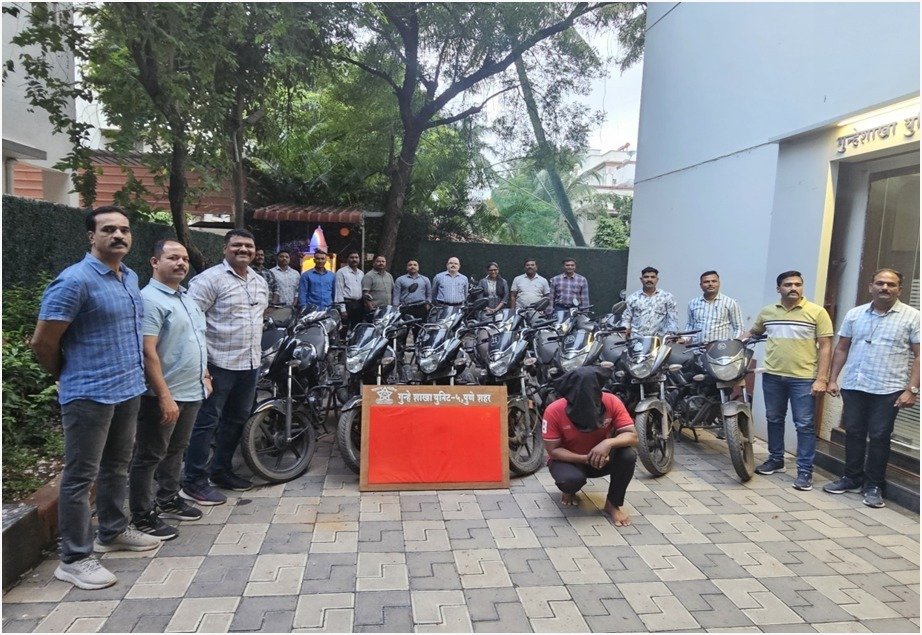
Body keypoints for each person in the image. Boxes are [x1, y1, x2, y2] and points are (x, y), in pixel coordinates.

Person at [32, 205, 159, 590]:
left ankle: (113, 531)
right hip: (89, 393)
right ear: (91, 236)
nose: (118, 235)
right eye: (108, 229)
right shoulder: (74, 281)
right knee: (79, 477)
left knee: (117, 465)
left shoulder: (129, 276)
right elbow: (42, 342)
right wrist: (67, 374)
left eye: (124, 229)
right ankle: (74, 558)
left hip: (128, 388)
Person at [128, 240, 209, 541]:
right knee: (150, 455)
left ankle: (168, 498)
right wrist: (163, 395)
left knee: (176, 449)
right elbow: (147, 351)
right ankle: (141, 514)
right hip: (163, 395)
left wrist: (205, 374)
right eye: (173, 258)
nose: (181, 263)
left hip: (191, 390)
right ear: (154, 262)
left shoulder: (185, 297)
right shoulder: (149, 300)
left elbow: (196, 339)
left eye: (184, 259)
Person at [181, 229, 269, 504]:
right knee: (206, 422)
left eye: (248, 246)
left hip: (250, 364)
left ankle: (221, 471)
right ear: (225, 249)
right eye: (237, 245)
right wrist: (202, 367)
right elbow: (190, 323)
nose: (243, 250)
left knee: (236, 420)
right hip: (217, 365)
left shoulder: (259, 281)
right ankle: (193, 481)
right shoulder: (208, 280)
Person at [823, 269, 920, 508]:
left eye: (891, 284)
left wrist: (912, 389)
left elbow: (919, 355)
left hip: (888, 389)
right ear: (870, 287)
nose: (885, 288)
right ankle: (851, 478)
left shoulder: (913, 317)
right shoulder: (855, 314)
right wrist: (832, 379)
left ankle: (874, 485)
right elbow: (842, 348)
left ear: (899, 289)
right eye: (880, 283)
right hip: (855, 385)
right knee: (853, 433)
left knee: (879, 437)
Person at [749, 270, 833, 491]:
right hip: (772, 375)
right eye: (788, 284)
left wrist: (822, 379)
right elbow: (753, 333)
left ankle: (805, 471)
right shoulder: (768, 312)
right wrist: (734, 341)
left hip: (803, 378)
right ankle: (776, 459)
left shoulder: (817, 312)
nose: (793, 288)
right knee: (774, 418)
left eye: (797, 284)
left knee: (804, 424)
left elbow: (825, 347)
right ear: (779, 288)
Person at [542, 366, 638, 527]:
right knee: (570, 480)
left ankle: (612, 504)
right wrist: (585, 459)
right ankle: (570, 490)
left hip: (601, 459)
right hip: (570, 461)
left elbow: (632, 435)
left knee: (628, 455)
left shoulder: (612, 401)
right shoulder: (554, 410)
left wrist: (608, 443)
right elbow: (553, 450)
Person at [685, 270, 745, 343]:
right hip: (696, 348)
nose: (710, 284)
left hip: (720, 348)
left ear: (719, 283)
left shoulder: (730, 303)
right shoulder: (693, 303)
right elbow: (690, 325)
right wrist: (684, 339)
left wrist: (733, 344)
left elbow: (739, 327)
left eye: (714, 281)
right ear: (701, 285)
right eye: (706, 282)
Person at [621, 266, 678, 337]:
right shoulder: (632, 298)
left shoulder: (667, 297)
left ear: (657, 280)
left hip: (659, 340)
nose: (649, 279)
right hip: (636, 340)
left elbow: (672, 320)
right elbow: (626, 320)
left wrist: (671, 337)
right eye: (646, 277)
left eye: (652, 277)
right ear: (641, 279)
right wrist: (624, 335)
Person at [393, 259, 432, 348]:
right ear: (407, 267)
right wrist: (396, 308)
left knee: (419, 332)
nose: (412, 266)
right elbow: (396, 295)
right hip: (405, 308)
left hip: (420, 308)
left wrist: (428, 304)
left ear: (418, 267)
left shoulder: (425, 279)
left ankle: (418, 352)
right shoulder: (400, 279)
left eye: (415, 265)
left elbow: (429, 294)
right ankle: (400, 354)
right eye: (410, 265)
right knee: (402, 332)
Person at [335, 250, 365, 329]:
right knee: (344, 329)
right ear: (347, 259)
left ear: (359, 259)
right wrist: (342, 309)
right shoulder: (341, 272)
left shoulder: (361, 273)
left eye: (356, 257)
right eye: (352, 257)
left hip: (359, 304)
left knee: (357, 328)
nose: (354, 259)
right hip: (347, 304)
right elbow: (339, 291)